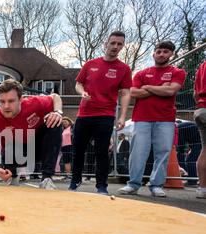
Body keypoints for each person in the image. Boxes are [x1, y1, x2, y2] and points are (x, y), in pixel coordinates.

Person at [118, 41, 186, 197]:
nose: (162, 54)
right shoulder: (141, 73)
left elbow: (170, 91)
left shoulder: (178, 72)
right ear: (154, 53)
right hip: (142, 118)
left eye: (165, 52)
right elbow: (134, 92)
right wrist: (160, 88)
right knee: (138, 152)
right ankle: (133, 184)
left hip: (165, 119)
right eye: (159, 51)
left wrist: (147, 87)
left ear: (171, 54)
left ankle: (156, 185)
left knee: (162, 152)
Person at [69, 31, 132, 195]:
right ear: (106, 44)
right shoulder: (90, 64)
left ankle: (102, 186)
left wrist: (123, 116)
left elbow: (125, 93)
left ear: (122, 46)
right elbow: (78, 84)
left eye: (119, 44)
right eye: (113, 43)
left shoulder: (124, 69)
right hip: (84, 115)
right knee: (78, 150)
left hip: (105, 116)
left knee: (102, 151)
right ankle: (75, 181)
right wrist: (82, 92)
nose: (115, 47)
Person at [0, 79, 63, 190]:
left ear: (20, 99)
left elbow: (55, 97)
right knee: (9, 140)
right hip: (18, 153)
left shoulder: (34, 103)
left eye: (11, 101)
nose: (6, 106)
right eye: (2, 101)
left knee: (55, 121)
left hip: (39, 147)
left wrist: (58, 112)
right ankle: (12, 176)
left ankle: (46, 178)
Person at [194, 60, 206, 199]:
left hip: (200, 108)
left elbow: (195, 92)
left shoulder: (202, 65)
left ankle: (202, 188)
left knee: (205, 149)